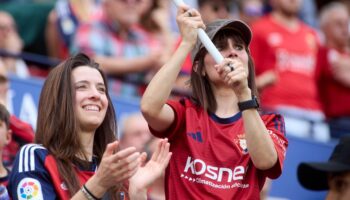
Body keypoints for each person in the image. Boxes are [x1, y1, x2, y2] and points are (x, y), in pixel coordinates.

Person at [141, 5, 288, 199]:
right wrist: (186, 43)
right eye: (219, 47)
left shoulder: (270, 122)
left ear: (248, 63)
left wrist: (244, 95)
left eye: (239, 47)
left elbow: (266, 162)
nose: (232, 52)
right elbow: (149, 109)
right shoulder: (185, 113)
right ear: (200, 68)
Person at [7, 53, 172, 200]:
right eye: (82, 87)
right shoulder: (35, 157)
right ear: (58, 99)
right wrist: (98, 184)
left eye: (101, 89)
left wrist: (137, 193)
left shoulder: (115, 173)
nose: (96, 95)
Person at [250, 0, 329, 141]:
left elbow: (320, 79)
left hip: (316, 115)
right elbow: (246, 77)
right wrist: (261, 83)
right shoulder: (259, 29)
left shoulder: (312, 34)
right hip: (279, 111)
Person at [71, 0, 164, 97]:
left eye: (137, 1)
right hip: (93, 105)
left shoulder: (141, 36)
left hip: (131, 109)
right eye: (123, 0)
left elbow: (160, 63)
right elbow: (90, 63)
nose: (131, 3)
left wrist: (164, 30)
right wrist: (146, 62)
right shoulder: (91, 26)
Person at [315, 2, 350, 139]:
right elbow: (339, 73)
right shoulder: (323, 53)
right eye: (338, 24)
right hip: (338, 122)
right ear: (325, 28)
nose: (345, 29)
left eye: (346, 23)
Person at [0, 11, 29, 78]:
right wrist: (11, 54)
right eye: (2, 28)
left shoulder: (19, 62)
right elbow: (3, 83)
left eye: (12, 28)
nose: (10, 34)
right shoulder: (13, 54)